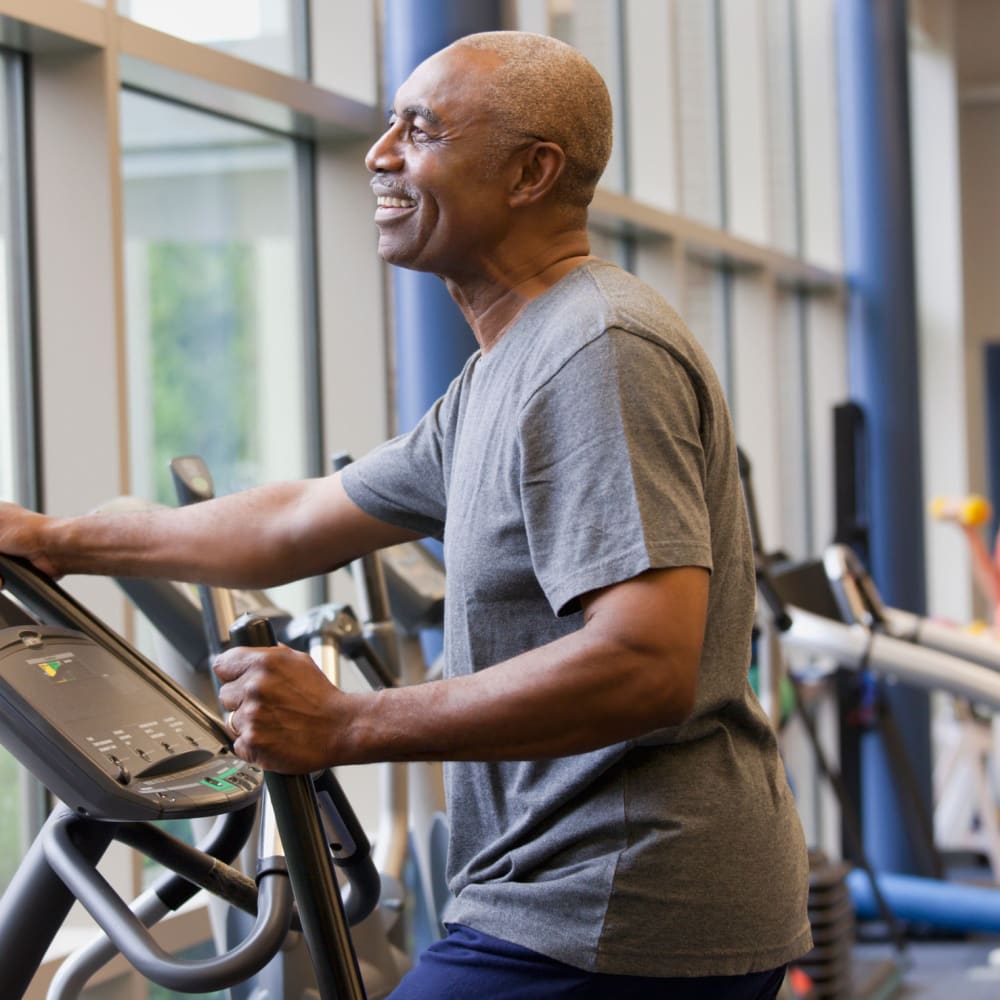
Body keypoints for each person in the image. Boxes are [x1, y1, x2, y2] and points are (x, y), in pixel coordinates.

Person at [0, 30, 811, 1000]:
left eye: (417, 130)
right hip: (589, 900)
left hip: (617, 905)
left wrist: (346, 721)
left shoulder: (595, 349)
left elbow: (648, 662)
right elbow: (295, 520)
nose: (380, 154)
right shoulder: (510, 366)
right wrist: (55, 541)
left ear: (530, 171)